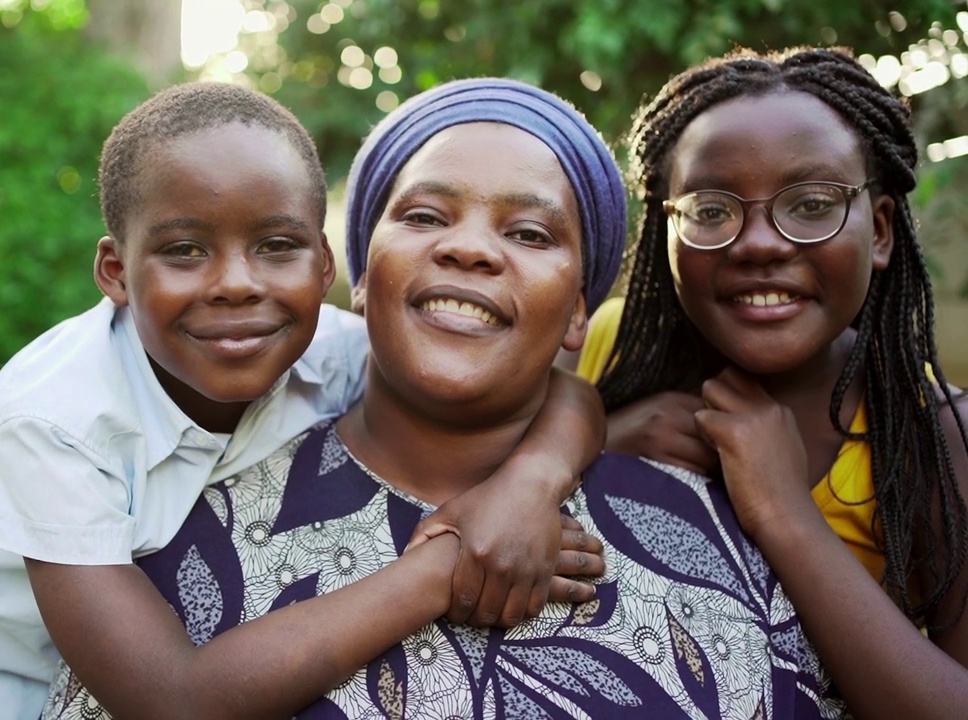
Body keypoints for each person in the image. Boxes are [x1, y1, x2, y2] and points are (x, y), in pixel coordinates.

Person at [43, 78, 839, 719]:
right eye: (425, 216)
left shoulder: (717, 534)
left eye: (530, 234)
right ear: (354, 274)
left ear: (576, 315)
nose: (468, 247)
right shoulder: (174, 549)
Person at [0, 83, 607, 720]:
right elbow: (173, 699)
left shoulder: (327, 348)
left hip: (65, 626)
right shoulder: (57, 424)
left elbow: (563, 393)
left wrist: (529, 483)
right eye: (185, 249)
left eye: (276, 246)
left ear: (326, 262)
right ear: (115, 273)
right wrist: (444, 567)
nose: (237, 283)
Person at [569, 47, 968, 714]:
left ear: (879, 230)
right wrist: (597, 442)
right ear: (666, 226)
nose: (758, 243)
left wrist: (783, 511)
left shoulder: (930, 437)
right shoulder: (613, 349)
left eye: (811, 203)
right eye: (712, 209)